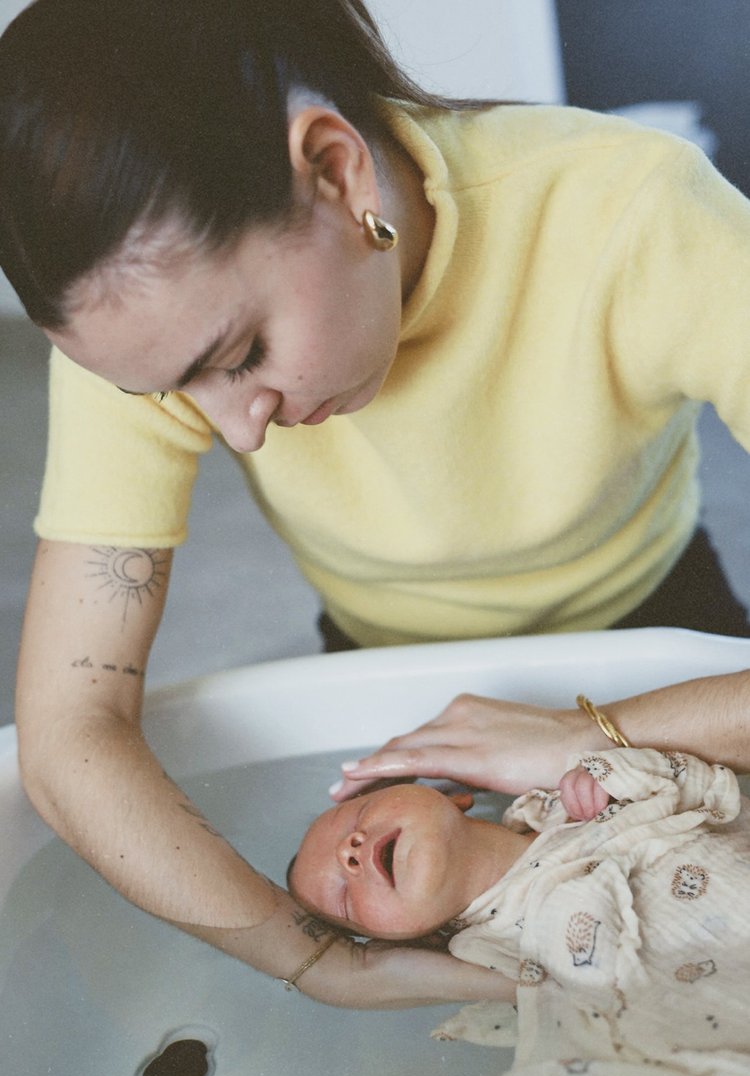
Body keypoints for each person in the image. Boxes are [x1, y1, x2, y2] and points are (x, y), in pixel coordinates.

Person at [4, 0, 750, 1005]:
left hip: (665, 636)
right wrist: (316, 959)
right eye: (175, 392)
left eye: (241, 358)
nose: (237, 430)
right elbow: (67, 730)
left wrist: (592, 733)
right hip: (384, 696)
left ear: (337, 169)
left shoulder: (634, 216)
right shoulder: (150, 331)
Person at [292, 745, 750, 1076]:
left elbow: (711, 790)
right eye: (344, 899)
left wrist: (616, 771)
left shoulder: (575, 804)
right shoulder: (481, 957)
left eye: (356, 818)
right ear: (402, 938)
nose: (349, 855)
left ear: (453, 797)